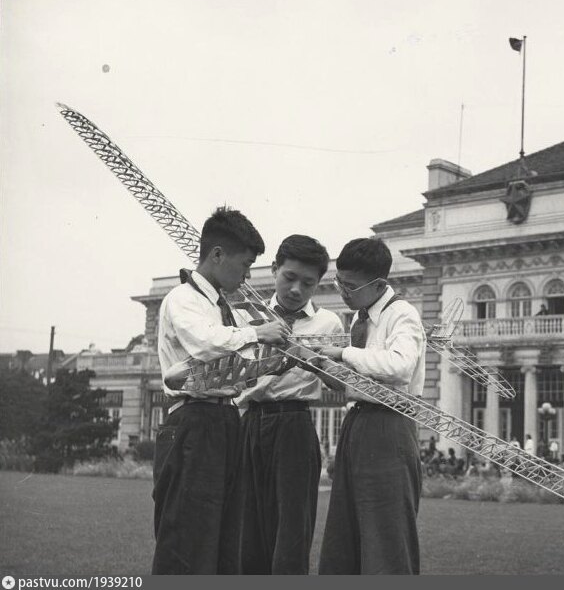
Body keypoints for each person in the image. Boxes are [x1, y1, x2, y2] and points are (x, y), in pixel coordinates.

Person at [152, 206, 289, 575]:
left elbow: (238, 362)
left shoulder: (225, 308)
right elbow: (204, 343)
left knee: (226, 539)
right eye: (245, 264)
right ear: (217, 255)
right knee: (188, 537)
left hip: (225, 419)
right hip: (193, 422)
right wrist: (258, 332)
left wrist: (281, 357)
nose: (247, 275)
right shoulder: (182, 299)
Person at [234, 234, 344, 574]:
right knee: (247, 526)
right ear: (274, 269)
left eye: (308, 283)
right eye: (289, 277)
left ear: (318, 283)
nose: (296, 289)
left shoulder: (329, 323)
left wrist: (314, 360)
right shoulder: (245, 317)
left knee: (293, 527)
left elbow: (341, 385)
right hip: (250, 422)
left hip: (295, 424)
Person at [315, 237, 425, 575]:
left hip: (390, 425)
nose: (343, 293)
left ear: (378, 284)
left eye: (349, 286)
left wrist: (344, 353)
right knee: (346, 530)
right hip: (358, 421)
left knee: (386, 532)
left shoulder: (402, 314)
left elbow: (400, 366)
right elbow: (360, 382)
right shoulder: (359, 319)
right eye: (339, 283)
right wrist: (321, 366)